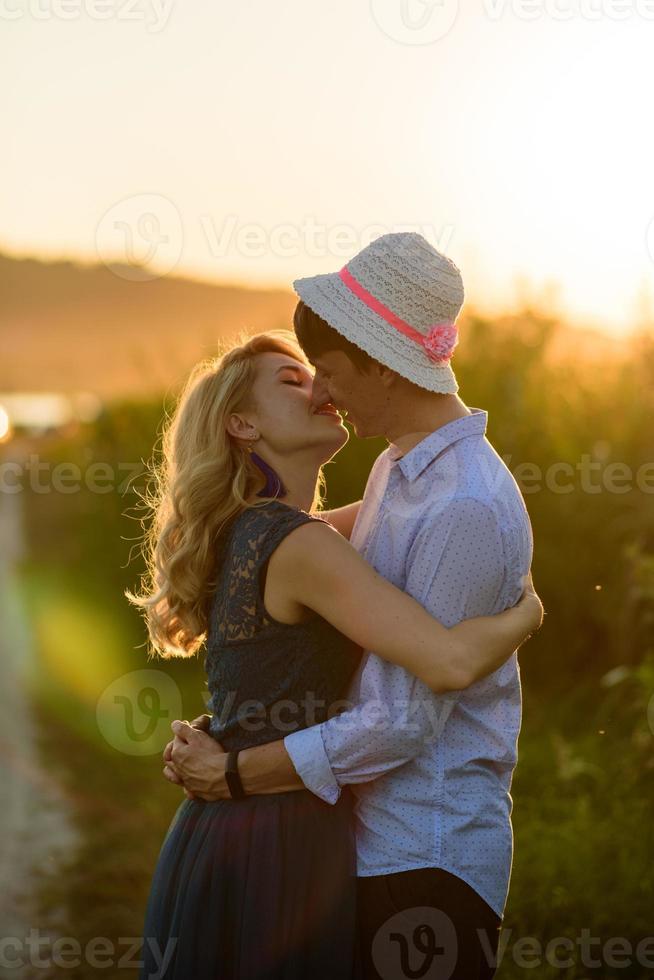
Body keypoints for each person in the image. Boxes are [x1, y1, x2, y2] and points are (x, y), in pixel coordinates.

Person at [165, 233, 538, 979]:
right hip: (357, 841)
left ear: (384, 365)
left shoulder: (462, 502)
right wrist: (527, 612)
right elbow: (299, 549)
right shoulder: (396, 474)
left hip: (426, 852)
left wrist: (237, 770)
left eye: (329, 373)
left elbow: (403, 722)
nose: (323, 393)